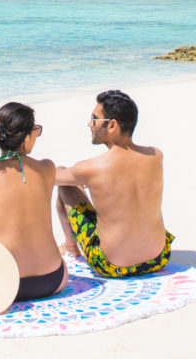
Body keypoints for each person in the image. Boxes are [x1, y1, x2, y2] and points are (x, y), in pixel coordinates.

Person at [54, 90, 173, 278]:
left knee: (66, 185)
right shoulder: (155, 156)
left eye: (94, 119)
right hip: (159, 258)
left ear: (112, 125)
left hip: (112, 266)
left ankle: (71, 247)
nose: (89, 124)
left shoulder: (92, 168)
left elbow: (53, 177)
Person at [0, 102, 67, 304]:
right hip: (53, 278)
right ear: (26, 136)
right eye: (36, 130)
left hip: (5, 286)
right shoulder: (46, 168)